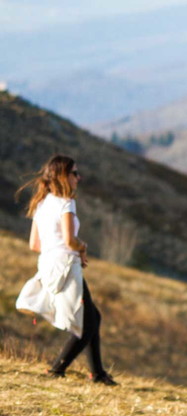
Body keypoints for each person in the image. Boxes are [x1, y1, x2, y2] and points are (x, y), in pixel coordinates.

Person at [15, 154, 117, 385]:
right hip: (67, 266)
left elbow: (34, 245)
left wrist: (58, 249)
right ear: (63, 175)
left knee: (93, 316)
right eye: (75, 173)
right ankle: (57, 369)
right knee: (86, 323)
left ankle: (98, 373)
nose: (78, 178)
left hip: (49, 264)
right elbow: (71, 240)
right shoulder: (66, 203)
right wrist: (83, 247)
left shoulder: (42, 204)